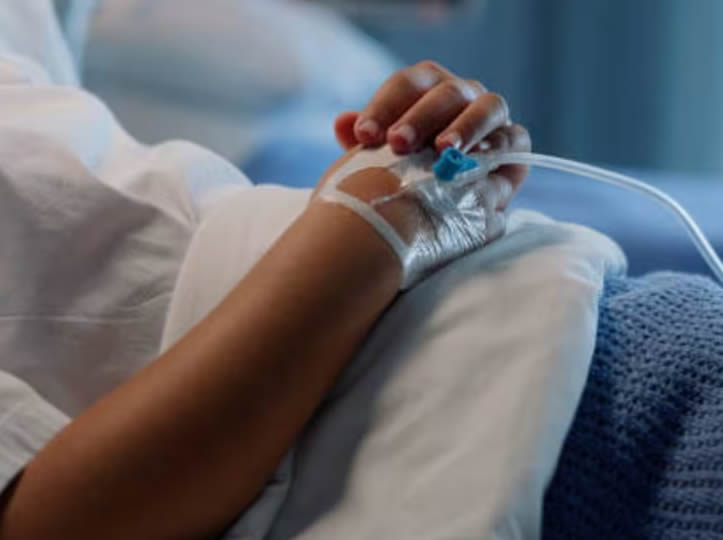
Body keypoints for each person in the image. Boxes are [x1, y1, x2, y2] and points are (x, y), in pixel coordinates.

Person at [0, 2, 531, 538]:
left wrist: (403, 178)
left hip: (478, 312)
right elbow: (49, 523)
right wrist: (371, 229)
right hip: (442, 408)